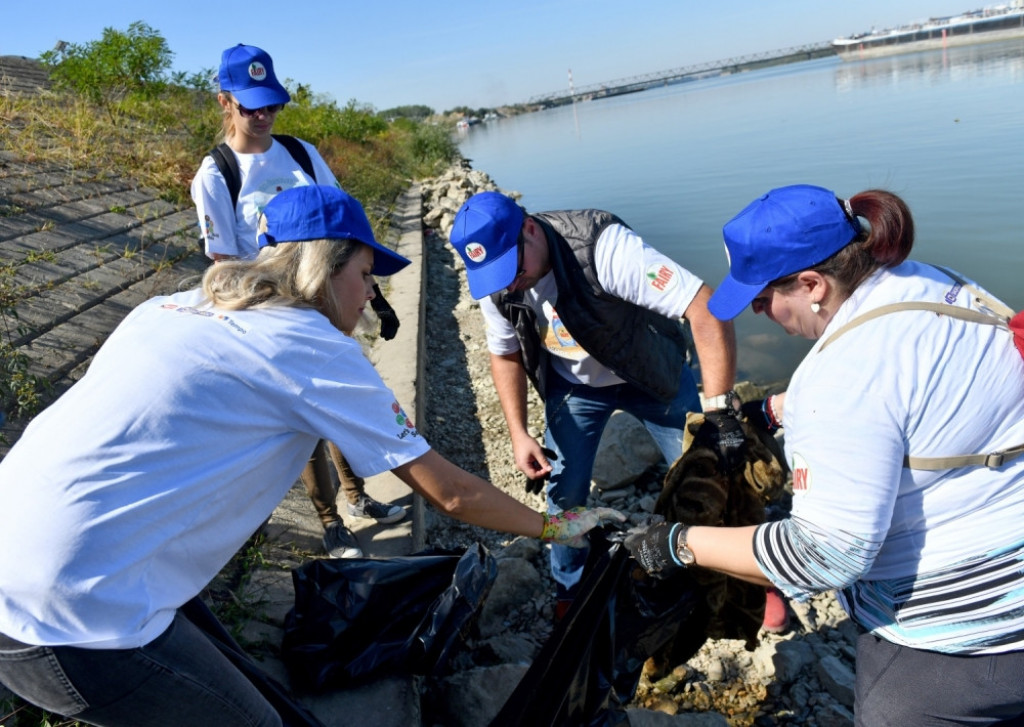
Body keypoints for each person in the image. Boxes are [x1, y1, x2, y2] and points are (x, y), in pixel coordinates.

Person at [0, 185, 624, 727]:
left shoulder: (170, 306)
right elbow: (450, 492)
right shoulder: (308, 342)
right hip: (65, 615)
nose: (369, 294)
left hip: (27, 556)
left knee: (247, 682)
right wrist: (557, 525)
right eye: (363, 274)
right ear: (325, 269)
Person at [624, 184, 1024, 725]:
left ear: (812, 284)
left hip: (965, 646)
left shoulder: (835, 377)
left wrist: (675, 542)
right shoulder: (935, 282)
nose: (760, 313)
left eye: (762, 299)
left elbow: (825, 556)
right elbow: (913, 393)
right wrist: (772, 412)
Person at [447, 191, 743, 615]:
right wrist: (518, 432)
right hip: (575, 388)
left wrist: (718, 412)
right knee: (564, 494)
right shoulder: (498, 282)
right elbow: (505, 352)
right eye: (494, 277)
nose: (508, 285)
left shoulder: (601, 246)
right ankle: (570, 588)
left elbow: (706, 310)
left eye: (511, 269)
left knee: (711, 471)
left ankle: (744, 574)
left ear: (529, 228)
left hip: (651, 373)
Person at [190, 43, 402, 559]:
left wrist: (372, 293)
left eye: (271, 105)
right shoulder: (216, 174)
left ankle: (358, 497)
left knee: (345, 404)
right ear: (225, 102)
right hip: (273, 317)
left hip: (327, 303)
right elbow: (223, 265)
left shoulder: (302, 154)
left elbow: (342, 224)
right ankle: (330, 520)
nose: (263, 116)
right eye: (250, 106)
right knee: (307, 423)